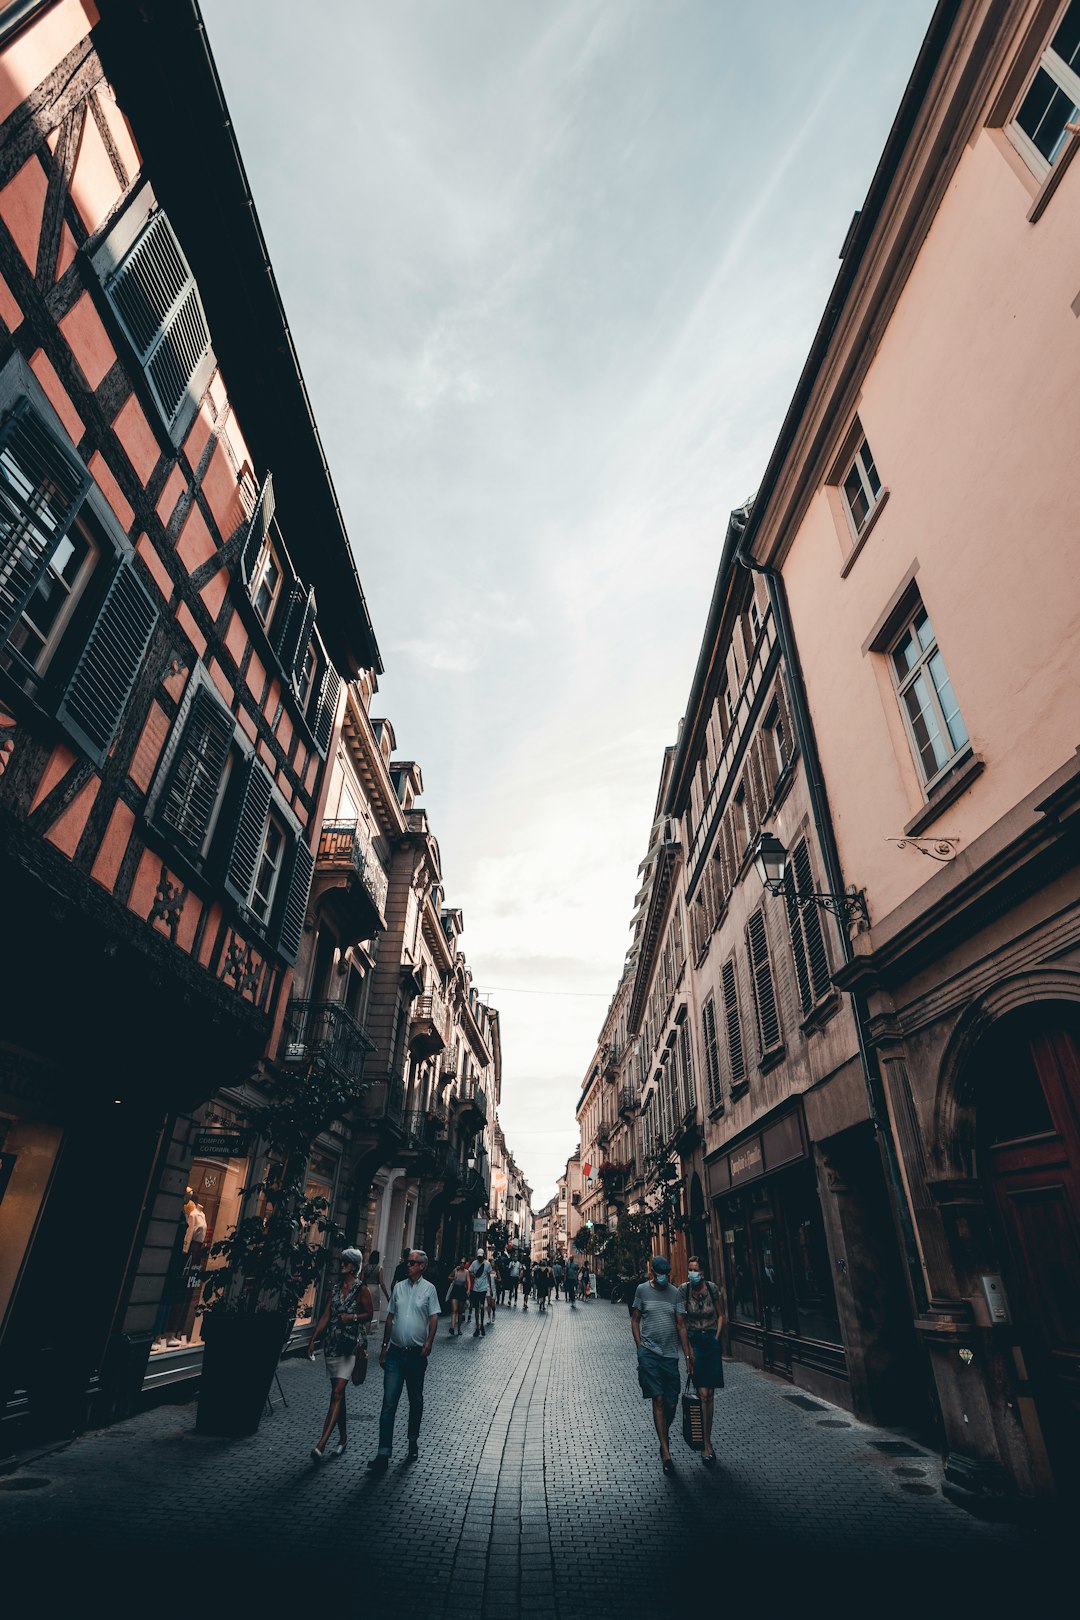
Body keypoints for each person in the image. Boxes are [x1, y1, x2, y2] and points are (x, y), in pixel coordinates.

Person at [368, 1249, 440, 1472]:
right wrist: (383, 1347)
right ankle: (383, 1453)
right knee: (389, 1402)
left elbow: (434, 1317)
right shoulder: (398, 1287)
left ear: (422, 1266)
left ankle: (412, 1441)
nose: (407, 1265)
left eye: (412, 1263)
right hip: (395, 1354)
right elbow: (390, 1318)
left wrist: (429, 1342)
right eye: (407, 1262)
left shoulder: (429, 1289)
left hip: (417, 1355)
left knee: (415, 1400)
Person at [308, 1248, 372, 1462]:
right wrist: (313, 1339)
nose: (341, 1264)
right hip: (333, 1345)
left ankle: (321, 1444)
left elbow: (369, 1315)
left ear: (354, 1266)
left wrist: (351, 1317)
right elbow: (326, 1314)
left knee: (337, 1393)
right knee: (338, 1395)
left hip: (350, 1346)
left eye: (346, 1262)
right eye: (342, 1261)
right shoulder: (335, 1288)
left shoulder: (360, 1289)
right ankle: (343, 1438)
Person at [631, 1255, 681, 1474]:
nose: (664, 1278)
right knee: (658, 1398)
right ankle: (666, 1451)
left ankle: (664, 1432)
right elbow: (635, 1319)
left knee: (671, 1404)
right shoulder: (642, 1290)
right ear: (652, 1273)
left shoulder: (675, 1293)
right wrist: (640, 1347)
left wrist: (688, 1355)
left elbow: (681, 1325)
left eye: (666, 1274)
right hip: (649, 1353)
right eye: (660, 1274)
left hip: (670, 1355)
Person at [676, 1255, 725, 1466]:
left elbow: (722, 1315)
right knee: (702, 1393)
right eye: (689, 1270)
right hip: (694, 1343)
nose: (691, 1274)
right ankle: (705, 1442)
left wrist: (716, 1338)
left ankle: (707, 1441)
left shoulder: (712, 1289)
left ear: (702, 1273)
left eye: (694, 1270)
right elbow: (681, 1324)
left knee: (710, 1394)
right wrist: (688, 1354)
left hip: (710, 1343)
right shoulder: (683, 1291)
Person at [469, 1248, 492, 1337]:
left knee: (481, 1307)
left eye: (480, 1257)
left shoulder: (487, 1264)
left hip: (483, 1289)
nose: (479, 1258)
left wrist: (490, 1288)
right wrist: (473, 1275)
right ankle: (477, 1327)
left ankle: (481, 1324)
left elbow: (489, 1276)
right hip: (475, 1289)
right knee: (477, 1308)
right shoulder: (474, 1263)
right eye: (478, 1257)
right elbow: (470, 1271)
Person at [447, 1256, 471, 1337]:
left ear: (465, 1264)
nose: (462, 1264)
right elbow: (449, 1277)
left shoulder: (466, 1272)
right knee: (454, 1310)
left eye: (463, 1263)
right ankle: (452, 1328)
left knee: (460, 1312)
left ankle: (459, 1329)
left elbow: (468, 1281)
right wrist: (454, 1278)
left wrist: (468, 1290)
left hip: (462, 1291)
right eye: (461, 1263)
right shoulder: (455, 1270)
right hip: (455, 1290)